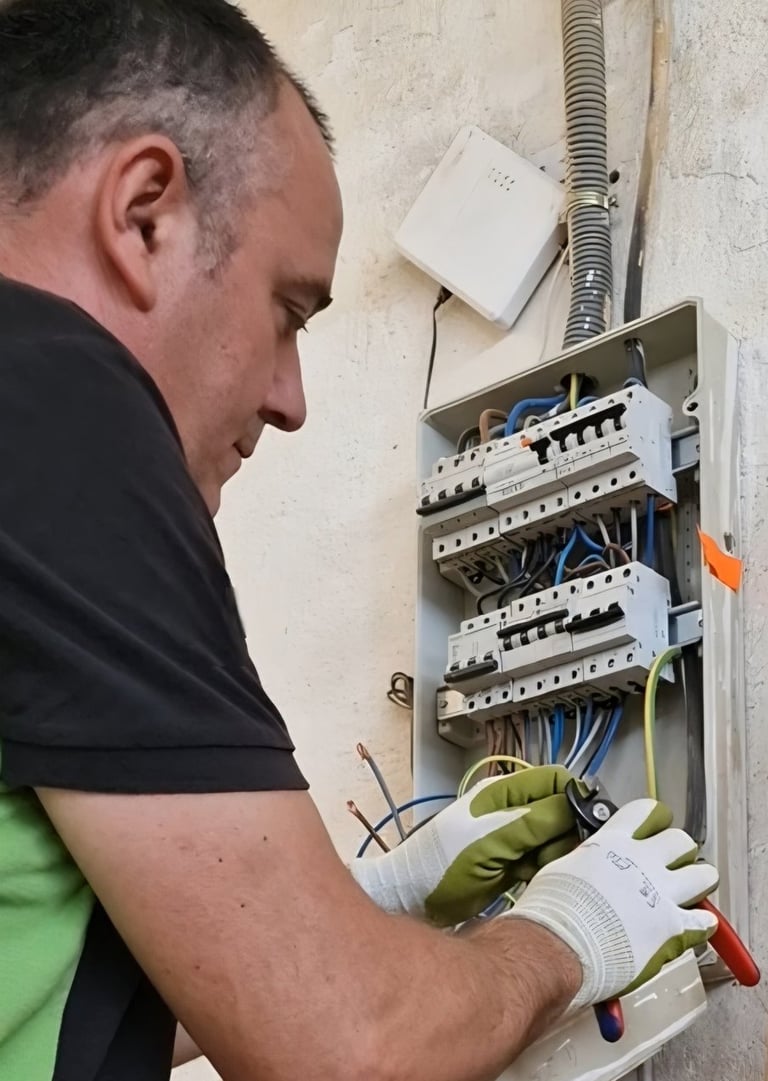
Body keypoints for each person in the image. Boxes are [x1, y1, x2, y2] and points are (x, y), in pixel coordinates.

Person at [0, 3, 719, 1080]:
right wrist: (572, 933)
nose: (290, 401)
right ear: (145, 214)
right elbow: (351, 1048)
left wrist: (378, 897)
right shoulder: (53, 399)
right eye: (289, 311)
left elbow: (66, 991)